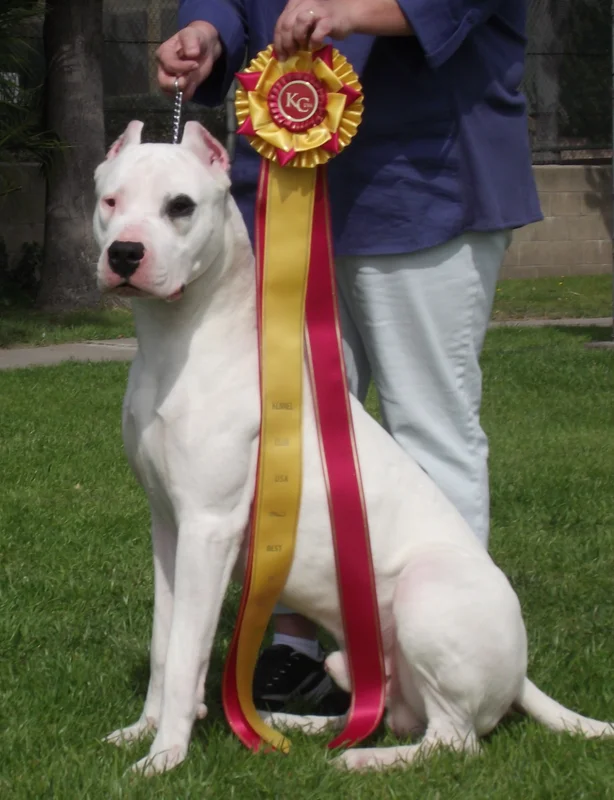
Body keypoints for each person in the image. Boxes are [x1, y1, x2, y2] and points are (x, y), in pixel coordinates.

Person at [157, 0, 542, 714]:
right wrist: (207, 30)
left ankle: (449, 670)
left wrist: (350, 10)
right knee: (282, 425)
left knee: (430, 425)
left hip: (426, 168)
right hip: (279, 183)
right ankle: (298, 647)